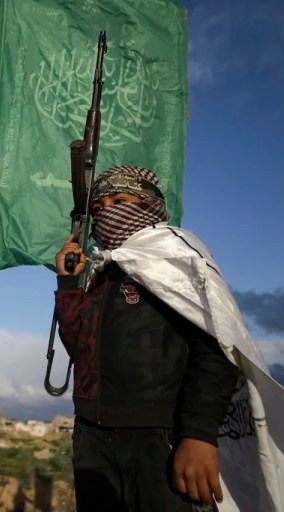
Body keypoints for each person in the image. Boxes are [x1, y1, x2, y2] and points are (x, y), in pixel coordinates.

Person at [54, 165, 240, 511]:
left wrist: (199, 435)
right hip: (92, 438)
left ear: (148, 203)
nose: (109, 211)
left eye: (121, 200)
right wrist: (67, 284)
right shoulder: (101, 270)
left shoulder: (179, 258)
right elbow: (80, 348)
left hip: (161, 439)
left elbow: (216, 349)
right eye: (100, 207)